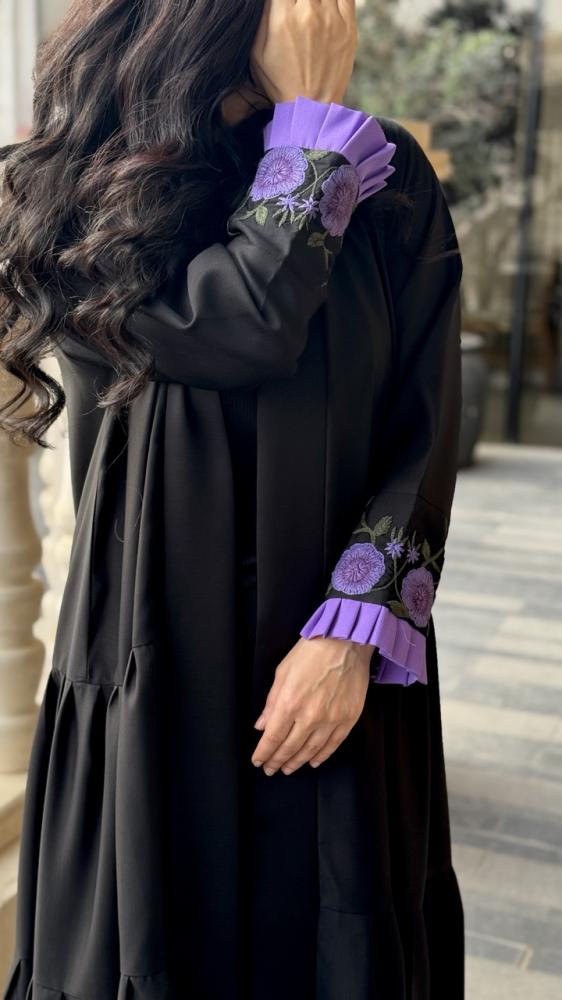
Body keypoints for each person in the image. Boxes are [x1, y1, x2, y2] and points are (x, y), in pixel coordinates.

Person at [0, 1, 464, 997]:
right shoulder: (86, 182)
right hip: (156, 663)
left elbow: (422, 437)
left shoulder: (387, 181)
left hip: (331, 677)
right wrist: (307, 142)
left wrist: (349, 635)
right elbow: (241, 326)